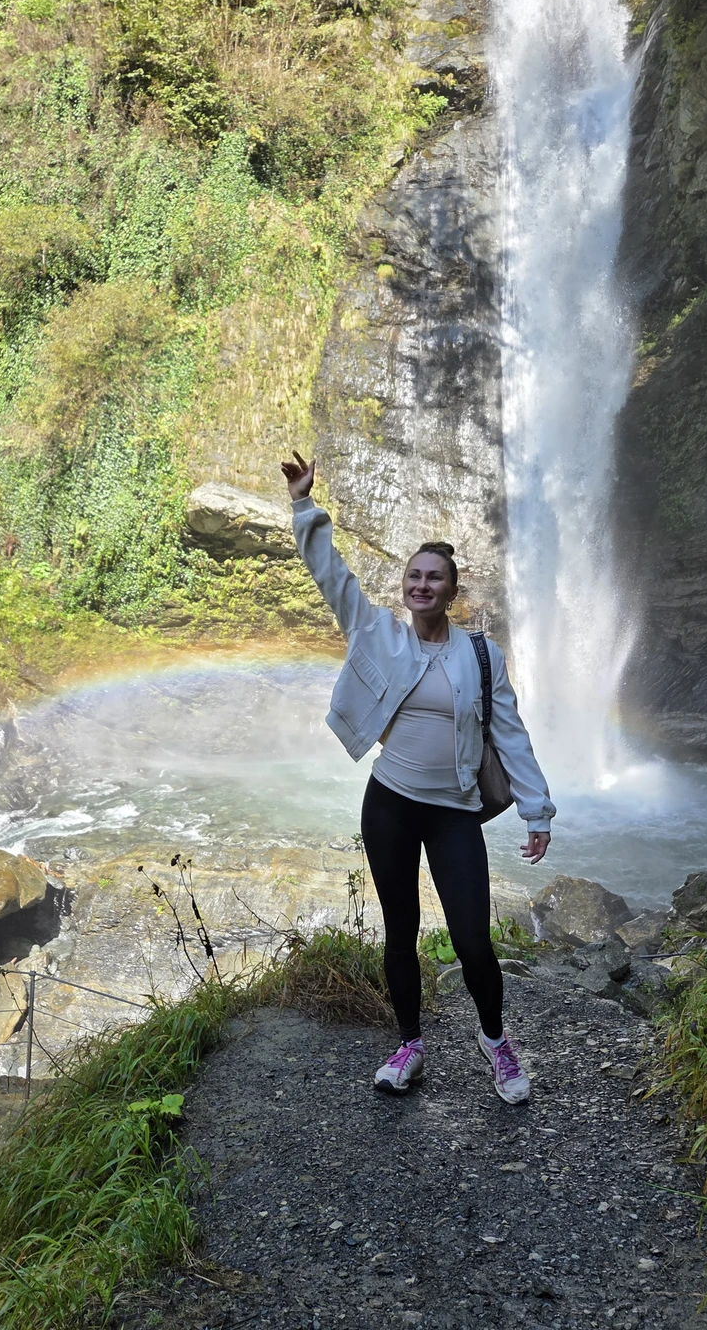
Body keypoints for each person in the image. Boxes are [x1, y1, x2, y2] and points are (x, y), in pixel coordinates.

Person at [281, 451, 556, 1104]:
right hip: (389, 806)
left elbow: (509, 734)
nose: (422, 585)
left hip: (453, 811)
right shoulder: (377, 633)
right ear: (404, 585)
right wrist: (302, 505)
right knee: (398, 929)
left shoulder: (480, 657)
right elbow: (332, 577)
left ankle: (495, 1042)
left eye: (435, 578)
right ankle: (408, 1044)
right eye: (414, 576)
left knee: (472, 939)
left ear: (451, 591)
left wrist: (537, 809)